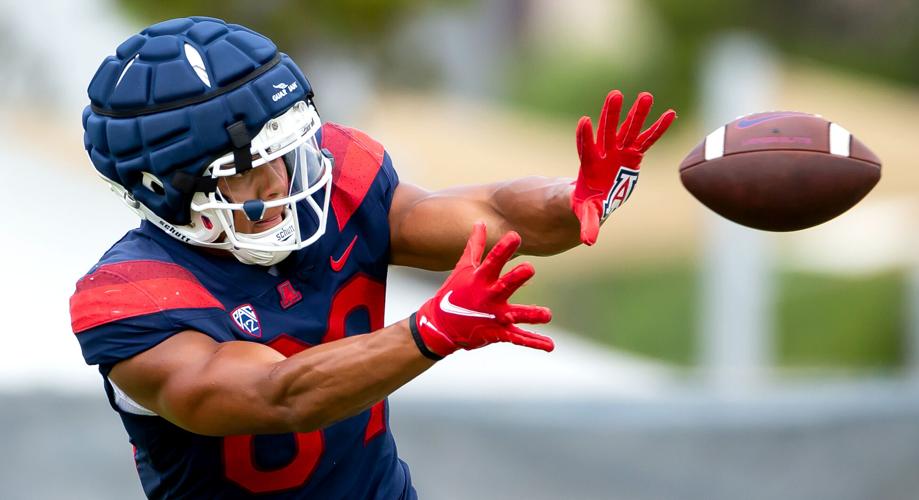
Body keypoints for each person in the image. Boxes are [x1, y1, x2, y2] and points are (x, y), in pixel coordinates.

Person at [69, 16, 675, 499]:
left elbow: (491, 214)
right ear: (167, 188)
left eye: (286, 151)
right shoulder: (133, 297)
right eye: (250, 169)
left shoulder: (339, 184)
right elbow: (277, 396)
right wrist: (428, 332)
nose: (281, 181)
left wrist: (573, 200)